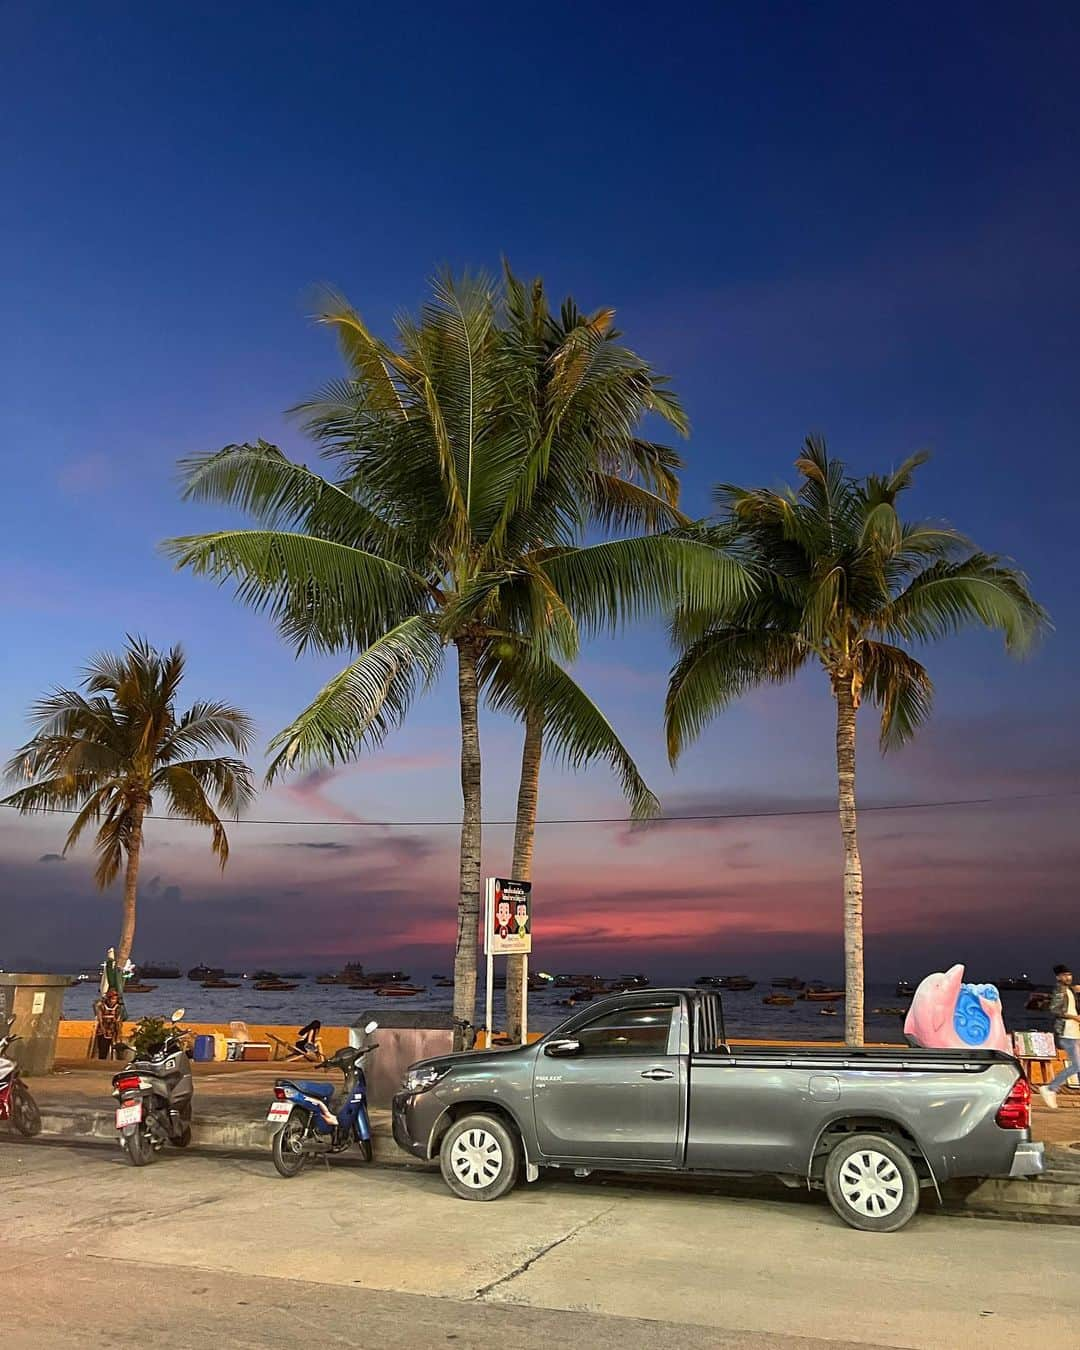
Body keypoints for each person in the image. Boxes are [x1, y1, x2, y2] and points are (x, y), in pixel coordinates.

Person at [1039, 963, 1080, 1108]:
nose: (1068, 977)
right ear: (1058, 977)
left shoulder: (1069, 990)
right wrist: (1073, 1017)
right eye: (1064, 975)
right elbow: (1054, 1010)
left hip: (1075, 1032)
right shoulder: (1059, 991)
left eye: (1069, 975)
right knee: (1076, 1066)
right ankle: (1050, 1088)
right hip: (1066, 1032)